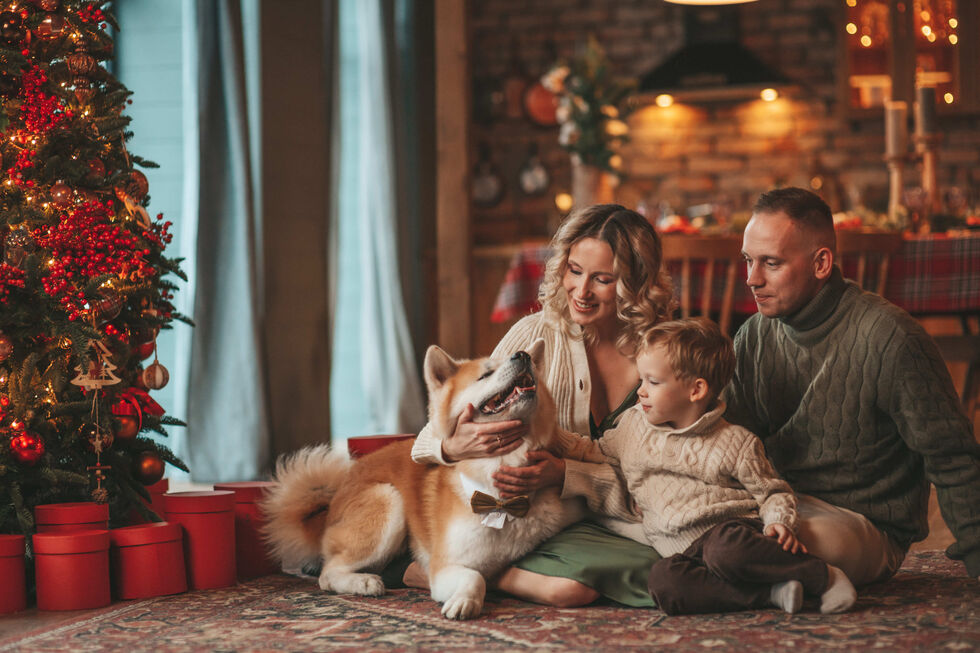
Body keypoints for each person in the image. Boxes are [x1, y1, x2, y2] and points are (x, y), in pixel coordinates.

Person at [408, 203, 675, 607]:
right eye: (574, 271)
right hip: (540, 516)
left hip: (619, 511)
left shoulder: (666, 351)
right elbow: (429, 438)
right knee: (577, 588)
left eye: (602, 279)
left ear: (634, 284)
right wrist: (452, 447)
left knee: (670, 563)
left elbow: (672, 466)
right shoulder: (533, 334)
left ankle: (450, 571)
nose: (581, 292)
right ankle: (468, 574)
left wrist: (565, 473)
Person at [725, 186, 980, 585]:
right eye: (748, 261)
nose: (752, 279)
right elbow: (731, 444)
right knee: (701, 523)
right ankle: (775, 581)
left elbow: (953, 458)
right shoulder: (752, 337)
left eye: (770, 263)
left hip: (861, 525)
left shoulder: (891, 337)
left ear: (821, 263)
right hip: (778, 507)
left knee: (768, 543)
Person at [578, 317, 855, 615]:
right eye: (641, 380)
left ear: (695, 390)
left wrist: (779, 521)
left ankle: (822, 576)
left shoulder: (735, 442)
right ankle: (771, 594)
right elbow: (595, 450)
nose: (640, 391)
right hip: (683, 552)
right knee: (663, 582)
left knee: (725, 549)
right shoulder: (632, 426)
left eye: (653, 382)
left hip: (731, 533)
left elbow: (773, 492)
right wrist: (548, 441)